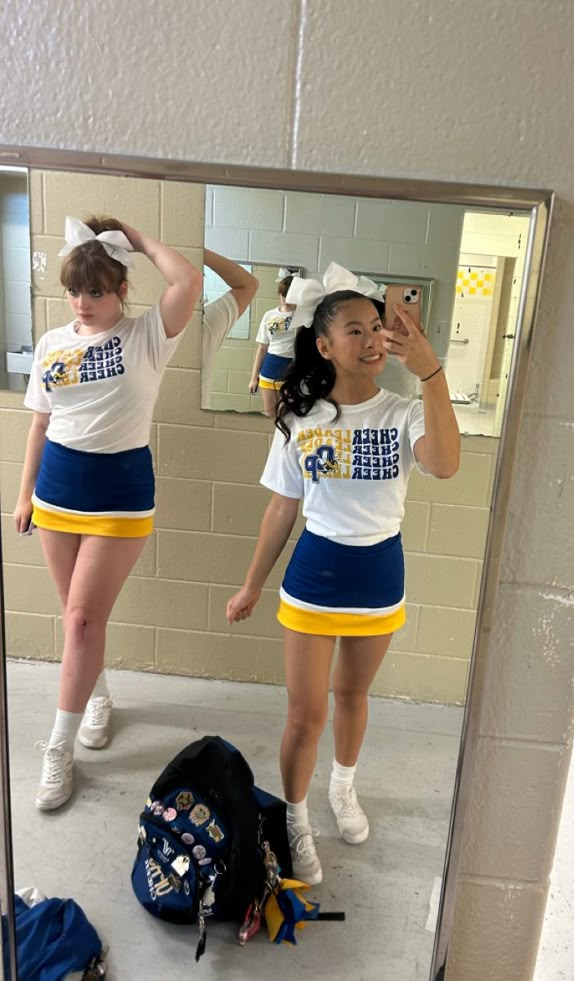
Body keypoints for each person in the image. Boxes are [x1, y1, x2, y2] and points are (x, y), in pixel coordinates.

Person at [226, 262, 460, 885]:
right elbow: (282, 507)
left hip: (380, 577)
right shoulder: (300, 420)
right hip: (315, 577)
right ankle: (296, 819)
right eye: (355, 330)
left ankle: (343, 788)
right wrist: (252, 583)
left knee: (353, 697)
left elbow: (444, 464)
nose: (373, 339)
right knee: (305, 714)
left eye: (377, 327)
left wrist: (432, 372)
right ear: (324, 346)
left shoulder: (404, 412)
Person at [13, 215, 202, 811]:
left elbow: (189, 282)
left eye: (96, 290)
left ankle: (59, 750)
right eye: (74, 290)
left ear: (122, 288)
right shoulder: (52, 344)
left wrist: (138, 239)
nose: (83, 302)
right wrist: (24, 494)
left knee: (80, 623)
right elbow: (41, 423)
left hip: (119, 495)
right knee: (78, 618)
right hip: (57, 492)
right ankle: (97, 697)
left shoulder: (149, 334)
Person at [201, 248, 260, 408]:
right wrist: (198, 252)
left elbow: (249, 285)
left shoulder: (206, 325)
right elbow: (249, 284)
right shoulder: (206, 326)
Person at [248, 273, 297, 416]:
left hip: (292, 368)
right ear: (279, 295)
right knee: (269, 414)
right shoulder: (269, 316)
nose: (286, 300)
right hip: (270, 367)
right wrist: (253, 377)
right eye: (283, 296)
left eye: (290, 296)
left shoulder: (305, 315)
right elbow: (262, 348)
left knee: (286, 415)